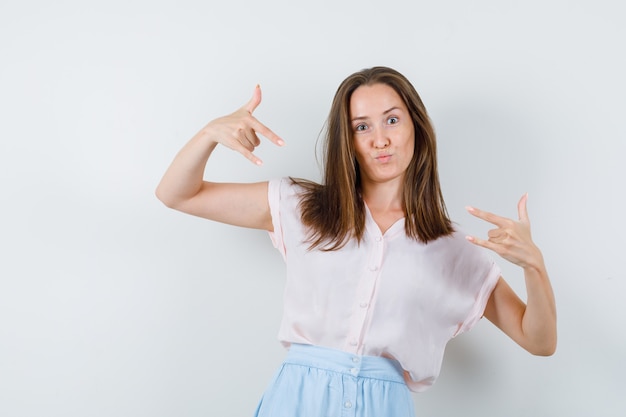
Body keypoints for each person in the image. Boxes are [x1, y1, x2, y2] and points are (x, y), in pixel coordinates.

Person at [156, 66, 557, 416]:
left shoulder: (453, 246)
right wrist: (209, 133)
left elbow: (539, 340)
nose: (379, 139)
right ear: (346, 140)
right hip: (298, 401)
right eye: (361, 126)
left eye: (392, 120)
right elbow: (177, 193)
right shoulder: (300, 206)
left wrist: (534, 267)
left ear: (416, 126)